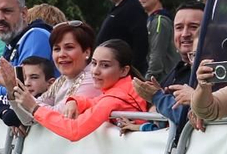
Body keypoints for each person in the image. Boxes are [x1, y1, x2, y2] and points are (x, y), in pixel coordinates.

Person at [13, 39, 150, 141]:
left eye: (105, 65)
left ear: (124, 70)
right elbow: (96, 102)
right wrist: (75, 101)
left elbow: (74, 131)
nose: (95, 71)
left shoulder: (115, 98)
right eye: (94, 63)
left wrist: (34, 108)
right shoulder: (122, 88)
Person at [131, 0, 205, 129]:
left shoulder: (212, 72)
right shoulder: (179, 68)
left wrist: (157, 97)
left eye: (193, 27)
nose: (185, 34)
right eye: (179, 27)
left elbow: (190, 118)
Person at [95, 0, 150, 75]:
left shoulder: (133, 9)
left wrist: (131, 72)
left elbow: (141, 42)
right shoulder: (118, 9)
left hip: (123, 74)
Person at [138, 0, 179, 79]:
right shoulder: (152, 19)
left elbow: (157, 54)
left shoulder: (159, 21)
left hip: (163, 80)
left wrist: (148, 79)